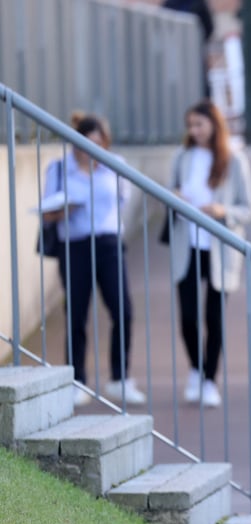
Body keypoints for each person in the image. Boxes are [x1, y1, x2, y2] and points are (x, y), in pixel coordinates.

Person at [40, 111, 146, 408]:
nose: (92, 150)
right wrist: (63, 210)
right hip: (73, 245)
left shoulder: (115, 167)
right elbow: (47, 213)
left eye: (98, 143)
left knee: (122, 310)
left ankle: (120, 378)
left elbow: (125, 200)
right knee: (76, 314)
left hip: (109, 243)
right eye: (85, 144)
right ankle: (77, 381)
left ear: (106, 143)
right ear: (74, 144)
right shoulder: (60, 169)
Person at [167, 98, 251, 407]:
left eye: (199, 124)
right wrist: (174, 197)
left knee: (213, 318)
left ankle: (209, 380)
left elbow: (248, 208)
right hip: (186, 244)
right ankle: (195, 369)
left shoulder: (234, 159)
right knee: (188, 316)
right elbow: (169, 194)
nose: (194, 130)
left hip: (219, 248)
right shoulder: (182, 156)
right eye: (190, 125)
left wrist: (222, 210)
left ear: (213, 125)